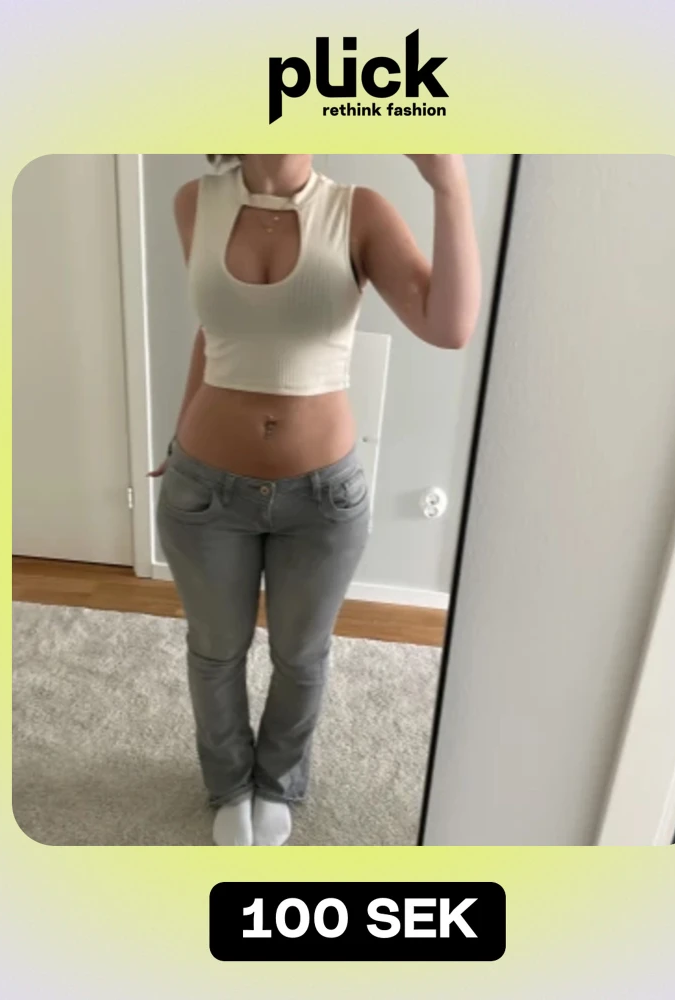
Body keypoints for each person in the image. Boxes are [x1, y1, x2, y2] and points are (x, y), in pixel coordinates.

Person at [149, 154, 481, 846]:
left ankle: (277, 782)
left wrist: (449, 184)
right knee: (215, 651)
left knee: (302, 655)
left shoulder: (359, 212)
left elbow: (448, 327)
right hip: (205, 488)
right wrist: (179, 437)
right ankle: (228, 784)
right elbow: (216, 333)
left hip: (321, 499)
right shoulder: (193, 202)